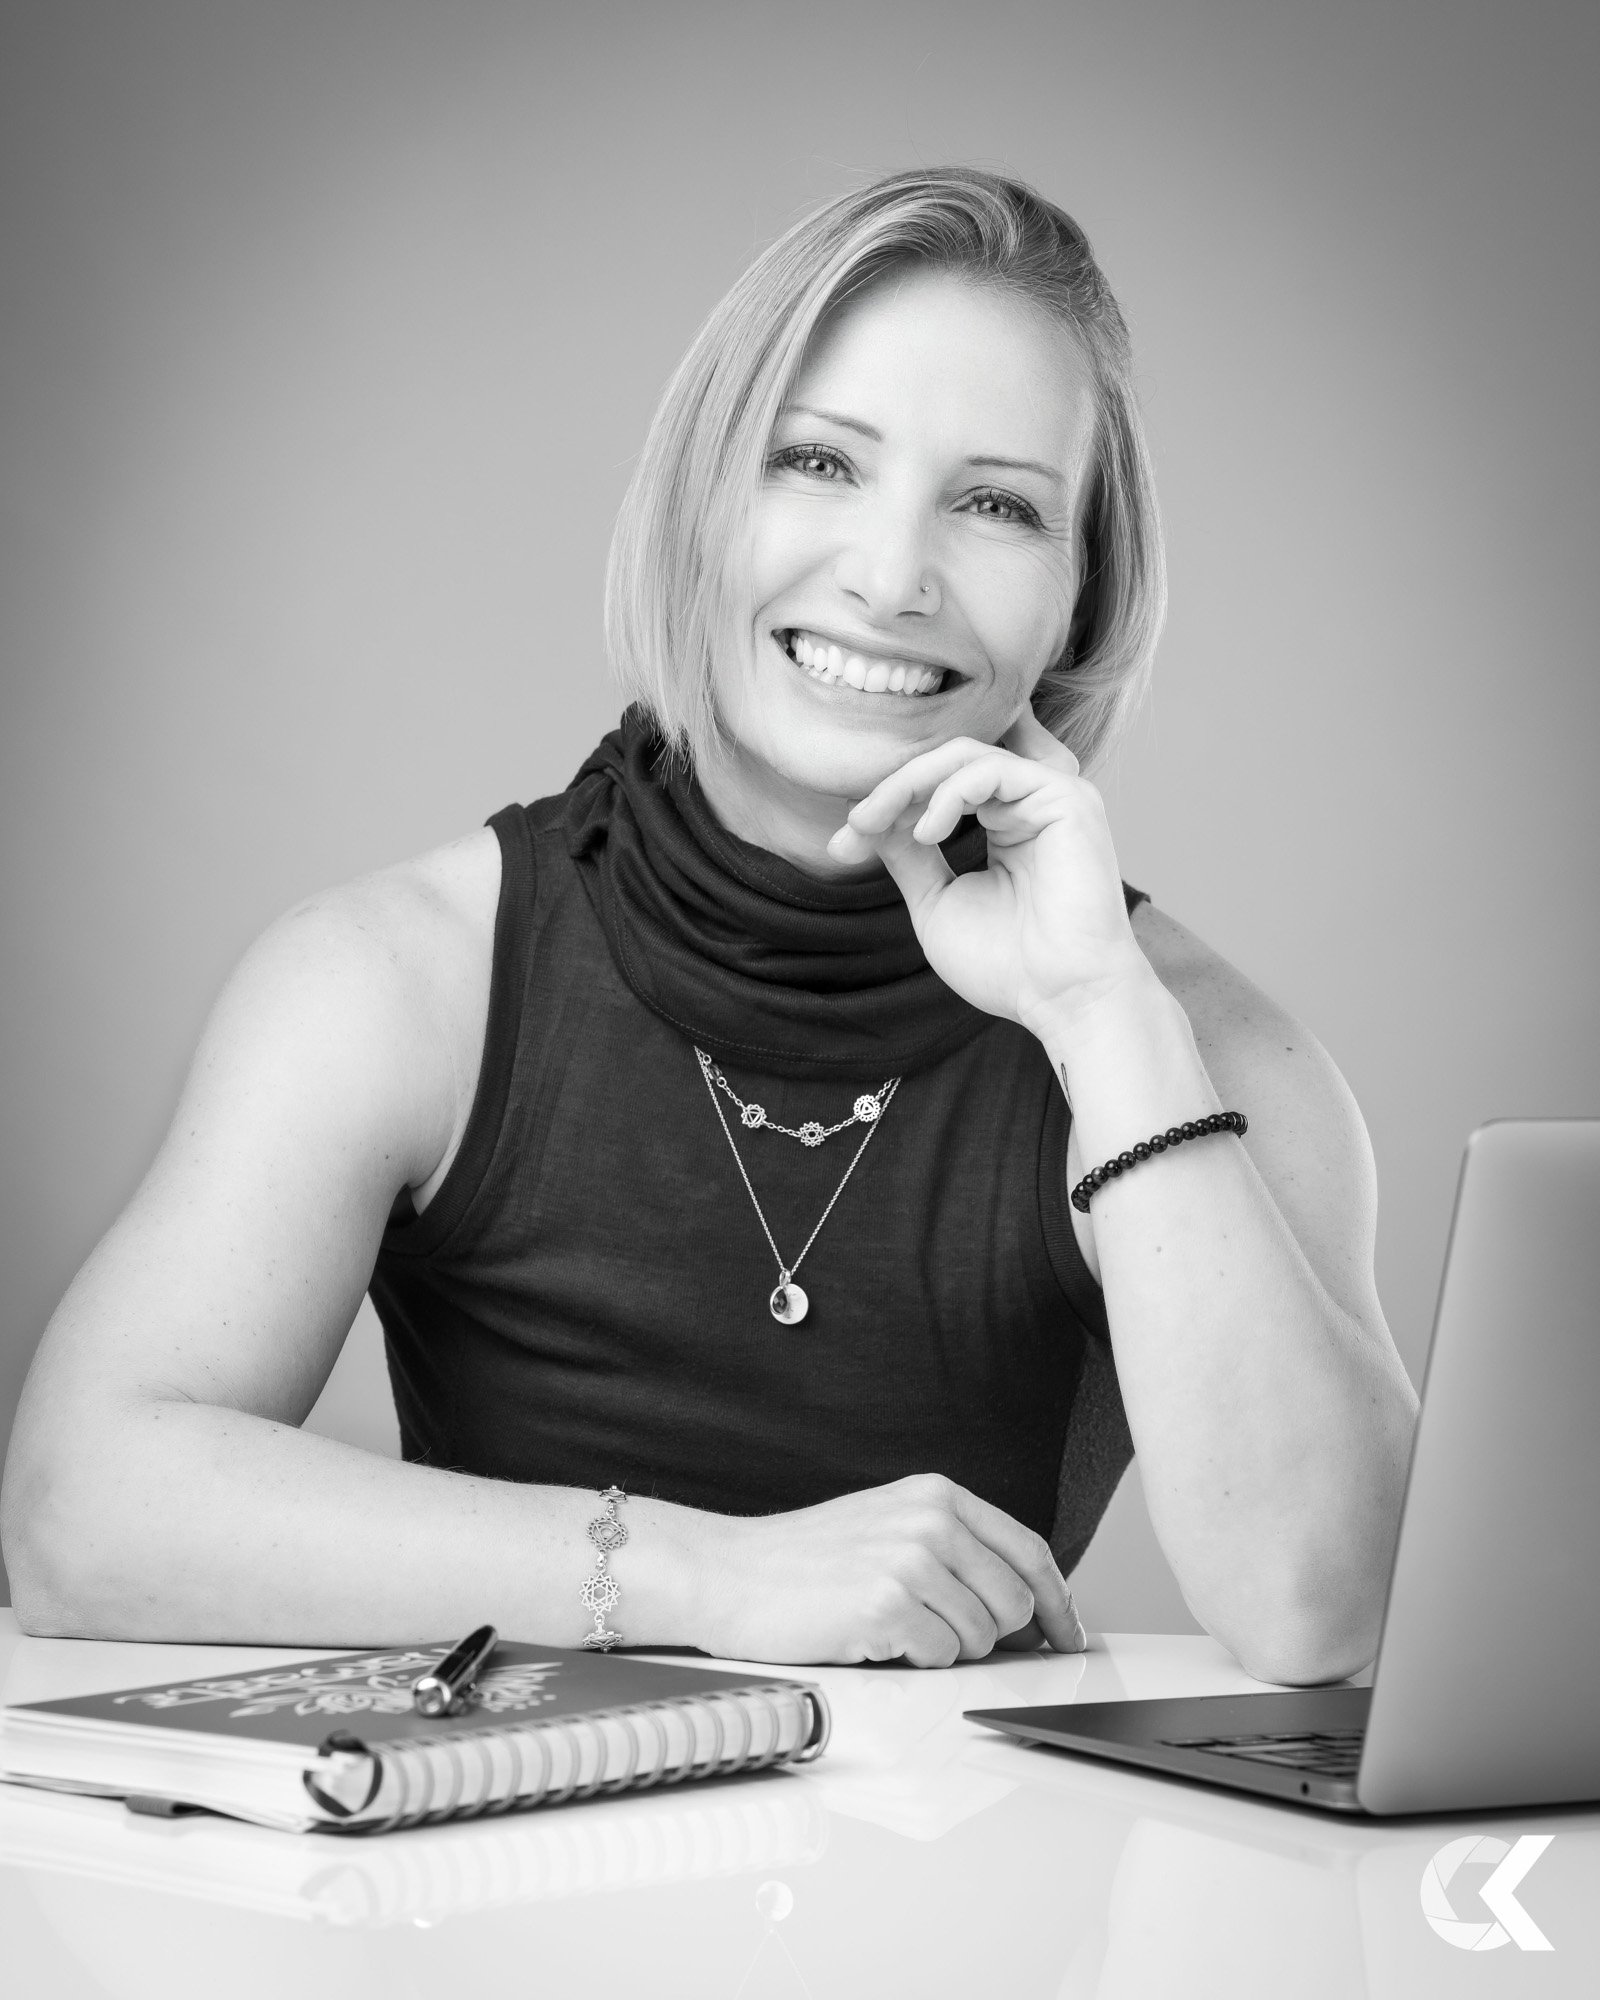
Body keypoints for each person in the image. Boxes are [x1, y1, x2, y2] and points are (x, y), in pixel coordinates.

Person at [0, 167, 1417, 1682]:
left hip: (993, 1893)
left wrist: (1099, 1010)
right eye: (817, 464)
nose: (889, 577)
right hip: (506, 1882)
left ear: (1082, 599)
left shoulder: (1211, 1055)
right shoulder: (395, 978)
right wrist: (710, 1576)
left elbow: (1329, 1613)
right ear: (700, 505)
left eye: (997, 504)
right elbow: (80, 1518)